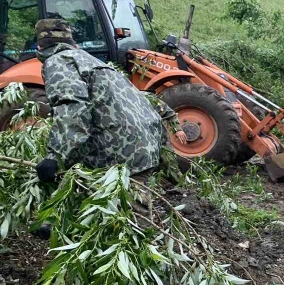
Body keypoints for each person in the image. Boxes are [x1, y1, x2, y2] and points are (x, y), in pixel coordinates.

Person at [32, 18, 187, 183]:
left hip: (119, 155)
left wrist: (55, 157)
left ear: (40, 47)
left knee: (123, 206)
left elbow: (73, 109)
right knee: (137, 202)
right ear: (72, 43)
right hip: (144, 143)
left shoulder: (58, 61)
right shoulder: (91, 60)